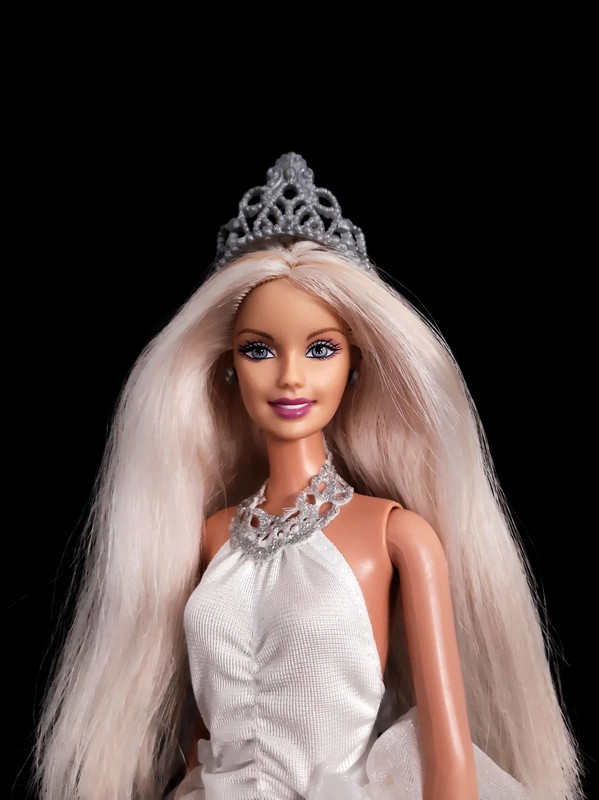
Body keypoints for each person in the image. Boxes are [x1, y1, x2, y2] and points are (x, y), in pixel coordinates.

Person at [33, 153, 583, 799]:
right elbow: (205, 734)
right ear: (227, 367)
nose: (290, 376)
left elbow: (448, 755)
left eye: (320, 349)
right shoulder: (212, 537)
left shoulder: (396, 536)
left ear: (355, 365)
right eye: (258, 349)